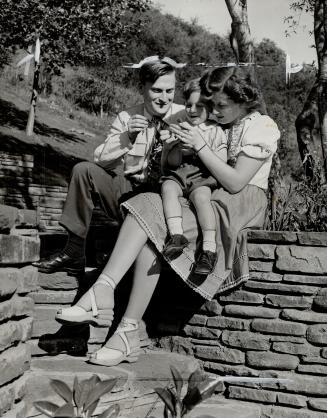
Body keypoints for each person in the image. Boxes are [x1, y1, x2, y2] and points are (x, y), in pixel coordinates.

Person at [54, 66, 280, 368]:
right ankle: (110, 301)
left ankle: (124, 326)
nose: (214, 111)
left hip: (235, 205)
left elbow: (236, 182)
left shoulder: (262, 126)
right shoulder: (220, 123)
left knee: (151, 218)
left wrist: (200, 145)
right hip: (204, 195)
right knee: (148, 205)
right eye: (212, 105)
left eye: (221, 105)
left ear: (245, 100)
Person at [33, 57, 184, 276]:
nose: (164, 98)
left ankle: (117, 254)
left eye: (169, 91)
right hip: (130, 192)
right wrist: (127, 137)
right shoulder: (126, 117)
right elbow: (101, 161)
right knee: (83, 170)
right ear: (142, 88)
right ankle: (74, 249)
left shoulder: (185, 115)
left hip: (169, 199)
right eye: (157, 91)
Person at [161, 78, 227, 275]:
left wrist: (199, 149)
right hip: (181, 172)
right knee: (168, 187)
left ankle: (209, 248)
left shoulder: (215, 131)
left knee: (201, 198)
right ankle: (176, 235)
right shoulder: (179, 125)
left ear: (209, 106)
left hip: (203, 175)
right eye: (188, 105)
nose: (192, 110)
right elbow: (171, 165)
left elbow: (220, 163)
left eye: (199, 105)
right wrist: (173, 147)